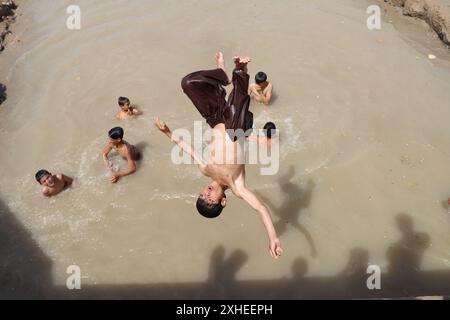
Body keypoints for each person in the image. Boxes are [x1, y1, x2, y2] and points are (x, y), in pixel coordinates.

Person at [154, 52, 282, 259]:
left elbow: (186, 147)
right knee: (237, 102)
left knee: (188, 83)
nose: (206, 193)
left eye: (202, 195)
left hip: (214, 118)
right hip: (236, 127)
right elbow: (261, 209)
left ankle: (221, 74)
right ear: (223, 201)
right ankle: (240, 69)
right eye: (210, 199)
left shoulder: (205, 169)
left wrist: (166, 131)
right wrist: (273, 237)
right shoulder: (237, 186)